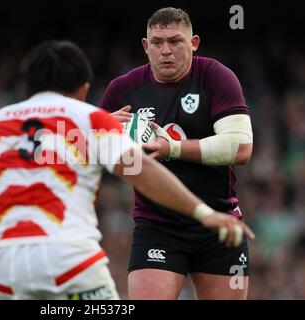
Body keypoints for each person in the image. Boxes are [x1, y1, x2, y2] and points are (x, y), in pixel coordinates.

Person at [0, 40, 253, 300]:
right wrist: (204, 212)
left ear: (27, 86)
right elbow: (140, 169)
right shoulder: (90, 120)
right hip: (71, 263)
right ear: (83, 89)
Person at [100, 7, 254, 299]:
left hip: (219, 223)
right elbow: (85, 153)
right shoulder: (123, 90)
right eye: (157, 43)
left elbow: (241, 147)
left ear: (194, 43)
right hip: (157, 227)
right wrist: (103, 132)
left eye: (175, 41)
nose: (166, 51)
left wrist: (172, 148)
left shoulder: (216, 77)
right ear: (146, 47)